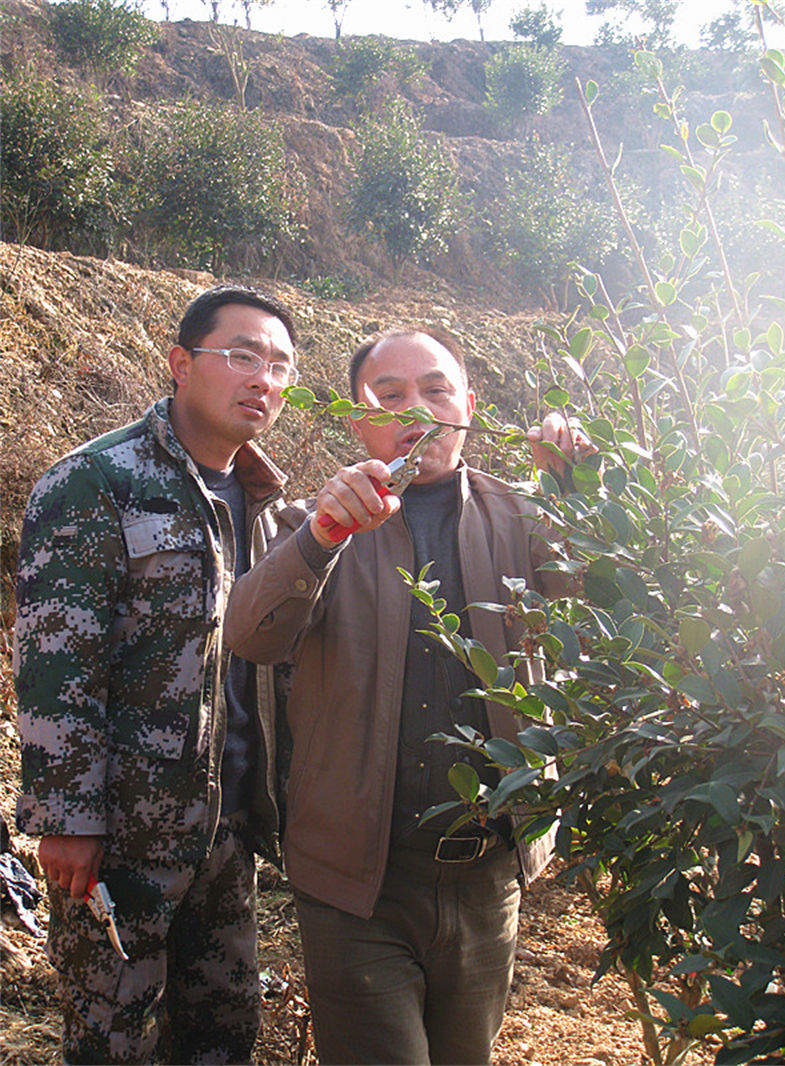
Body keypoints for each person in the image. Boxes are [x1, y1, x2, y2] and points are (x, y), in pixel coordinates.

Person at [224, 327, 595, 1066]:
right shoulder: (315, 522)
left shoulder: (523, 515)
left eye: (435, 388)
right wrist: (325, 533)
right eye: (388, 397)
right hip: (357, 886)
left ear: (470, 405)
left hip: (490, 876)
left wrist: (576, 497)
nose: (415, 409)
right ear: (359, 421)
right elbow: (251, 635)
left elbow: (594, 622)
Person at [14, 285, 299, 1064]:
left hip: (226, 827)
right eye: (242, 355)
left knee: (222, 1030)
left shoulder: (265, 503)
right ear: (180, 363)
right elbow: (55, 660)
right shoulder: (98, 481)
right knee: (113, 1039)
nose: (263, 379)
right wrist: (70, 819)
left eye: (280, 365)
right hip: (121, 836)